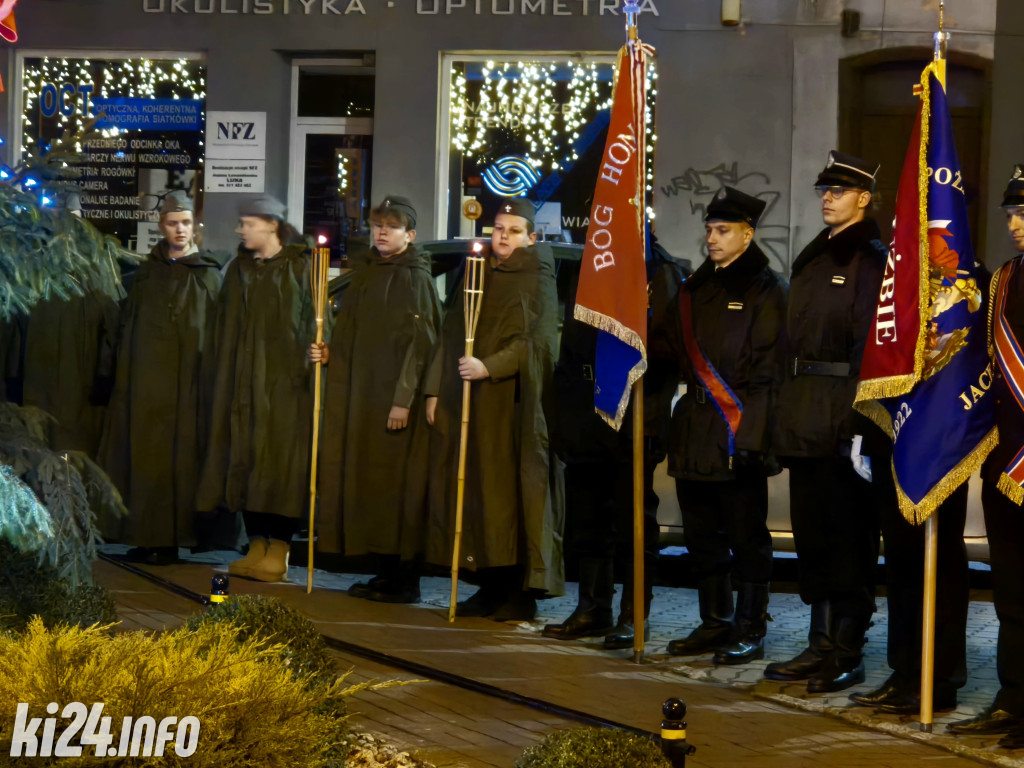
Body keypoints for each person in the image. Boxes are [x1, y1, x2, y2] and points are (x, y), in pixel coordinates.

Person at [766, 151, 887, 692]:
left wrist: (859, 423)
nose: (827, 198)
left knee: (848, 537)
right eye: (823, 190)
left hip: (843, 411)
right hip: (805, 410)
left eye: (838, 191)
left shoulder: (871, 257)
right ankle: (819, 644)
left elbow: (869, 346)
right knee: (812, 535)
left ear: (863, 197)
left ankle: (847, 648)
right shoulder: (814, 257)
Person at [651, 187, 786, 664]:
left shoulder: (768, 290)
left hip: (738, 430)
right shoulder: (693, 289)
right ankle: (715, 621)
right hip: (694, 429)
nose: (712, 238)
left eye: (723, 230)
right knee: (700, 535)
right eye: (709, 229)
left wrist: (753, 439)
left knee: (746, 537)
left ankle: (751, 627)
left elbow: (770, 371)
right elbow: (665, 346)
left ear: (747, 234)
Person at [423, 197, 563, 621]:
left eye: (512, 230)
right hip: (470, 401)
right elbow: (449, 333)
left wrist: (491, 366)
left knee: (511, 494)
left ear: (531, 237)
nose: (502, 236)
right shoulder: (477, 272)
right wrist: (433, 390)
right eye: (498, 228)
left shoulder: (536, 277)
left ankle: (519, 591)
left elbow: (537, 342)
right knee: (477, 493)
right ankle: (486, 583)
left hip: (512, 406)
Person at [541, 239, 684, 646]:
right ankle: (592, 608)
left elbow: (665, 354)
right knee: (589, 519)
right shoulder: (594, 263)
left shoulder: (658, 269)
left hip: (631, 409)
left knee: (633, 523)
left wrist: (652, 420)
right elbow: (571, 343)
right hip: (585, 408)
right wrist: (565, 409)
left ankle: (633, 616)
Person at [311, 195, 441, 603]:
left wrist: (403, 400)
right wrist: (334, 353)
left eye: (392, 226)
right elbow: (358, 332)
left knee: (395, 488)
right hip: (363, 398)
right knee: (371, 486)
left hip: (391, 402)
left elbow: (422, 344)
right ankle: (384, 571)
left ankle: (405, 580)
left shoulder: (412, 277)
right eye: (377, 225)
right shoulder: (369, 273)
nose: (382, 232)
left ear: (410, 234)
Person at [99, 191, 228, 565]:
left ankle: (172, 538)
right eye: (173, 223)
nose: (180, 230)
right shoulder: (145, 275)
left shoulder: (208, 275)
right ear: (161, 226)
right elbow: (127, 327)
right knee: (144, 459)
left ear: (194, 227)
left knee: (181, 461)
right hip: (144, 387)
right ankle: (145, 535)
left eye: (186, 223)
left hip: (188, 388)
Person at [195, 194, 317, 583]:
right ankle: (257, 543)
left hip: (284, 386)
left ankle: (278, 547)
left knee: (279, 464)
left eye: (248, 222)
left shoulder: (301, 268)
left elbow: (315, 322)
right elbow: (222, 326)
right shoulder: (239, 270)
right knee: (245, 461)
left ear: (272, 225)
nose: (239, 229)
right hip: (243, 385)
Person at [945, 166, 1024, 745]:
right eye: (1011, 214)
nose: (1015, 224)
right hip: (1008, 458)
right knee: (1012, 587)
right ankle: (1013, 695)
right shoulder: (1003, 280)